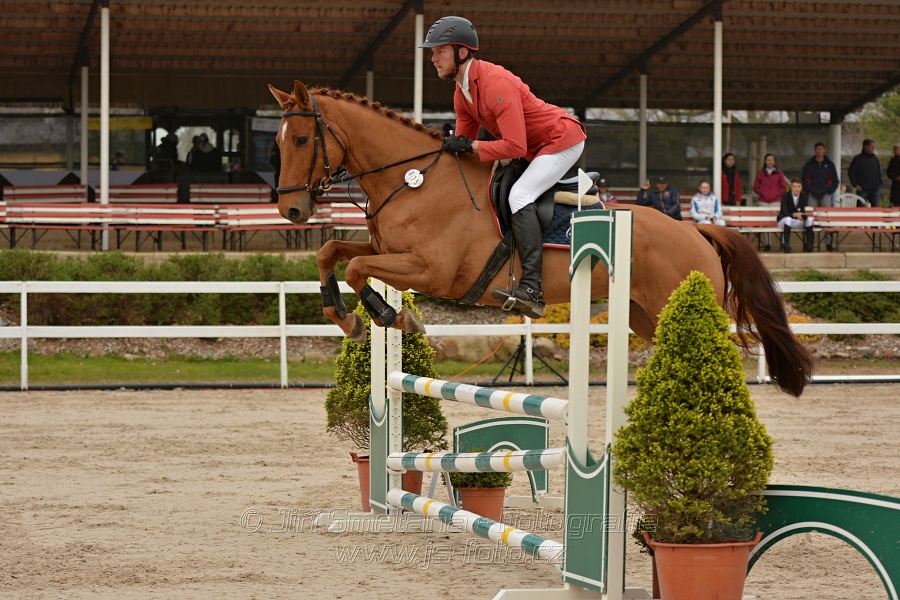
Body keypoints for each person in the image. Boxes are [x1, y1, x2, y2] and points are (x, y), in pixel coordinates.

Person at [421, 16, 586, 319]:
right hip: (533, 148)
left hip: (560, 140)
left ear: (462, 52)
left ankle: (532, 289)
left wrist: (469, 146)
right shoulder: (462, 92)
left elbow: (514, 147)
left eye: (439, 51)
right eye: (432, 52)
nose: (433, 59)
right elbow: (465, 148)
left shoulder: (496, 84)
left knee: (520, 195)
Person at [801, 142, 839, 250]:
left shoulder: (830, 164)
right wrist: (808, 192)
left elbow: (835, 181)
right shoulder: (809, 164)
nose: (819, 151)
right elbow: (804, 180)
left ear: (824, 150)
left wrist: (829, 191)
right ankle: (809, 243)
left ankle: (828, 243)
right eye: (817, 149)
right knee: (810, 219)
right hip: (812, 195)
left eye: (821, 149)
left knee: (826, 218)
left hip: (825, 195)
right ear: (815, 150)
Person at [753, 153, 789, 251]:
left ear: (774, 161)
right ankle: (768, 243)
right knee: (765, 222)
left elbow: (783, 187)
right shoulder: (761, 173)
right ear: (765, 161)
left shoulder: (779, 173)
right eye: (768, 160)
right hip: (763, 201)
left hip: (776, 201)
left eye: (772, 160)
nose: (770, 162)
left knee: (778, 220)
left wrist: (777, 194)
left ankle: (782, 242)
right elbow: (756, 187)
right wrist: (763, 193)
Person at [777, 178, 814, 253]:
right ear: (791, 187)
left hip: (796, 221)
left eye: (799, 186)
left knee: (809, 220)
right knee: (788, 219)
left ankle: (809, 247)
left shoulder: (803, 196)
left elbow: (802, 210)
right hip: (783, 221)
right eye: (795, 186)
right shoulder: (785, 196)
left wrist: (802, 215)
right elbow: (784, 212)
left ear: (801, 187)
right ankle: (786, 247)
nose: (797, 189)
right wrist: (794, 214)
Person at [848, 139, 883, 206]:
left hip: (875, 189)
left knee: (876, 208)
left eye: (874, 147)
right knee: (861, 208)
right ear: (866, 147)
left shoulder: (875, 159)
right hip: (863, 189)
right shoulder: (858, 159)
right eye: (871, 146)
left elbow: (878, 171)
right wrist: (856, 184)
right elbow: (851, 172)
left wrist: (879, 182)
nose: (873, 148)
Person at [887, 143, 900, 208]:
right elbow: (889, 173)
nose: (894, 151)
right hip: (896, 187)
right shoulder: (893, 160)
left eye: (895, 149)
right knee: (896, 204)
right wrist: (895, 177)